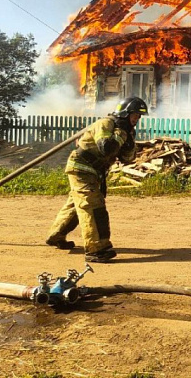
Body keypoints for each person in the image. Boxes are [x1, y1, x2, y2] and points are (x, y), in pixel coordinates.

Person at [45, 96, 147, 262]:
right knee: (92, 205)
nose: (137, 120)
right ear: (125, 114)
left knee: (76, 204)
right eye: (135, 115)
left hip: (95, 171)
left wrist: (128, 143)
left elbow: (128, 158)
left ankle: (56, 235)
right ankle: (96, 249)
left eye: (139, 117)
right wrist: (121, 134)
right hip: (81, 168)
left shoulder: (126, 132)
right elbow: (106, 147)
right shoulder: (106, 124)